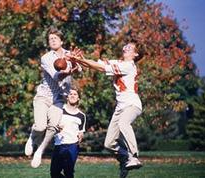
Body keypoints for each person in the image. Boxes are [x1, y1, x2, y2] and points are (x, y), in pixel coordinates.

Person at [72, 42, 142, 178]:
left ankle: (134, 156)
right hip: (120, 107)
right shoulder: (118, 62)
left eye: (130, 47)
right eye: (125, 46)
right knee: (109, 144)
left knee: (124, 124)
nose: (125, 48)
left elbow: (102, 68)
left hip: (132, 104)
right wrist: (78, 59)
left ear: (136, 54)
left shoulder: (127, 66)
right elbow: (96, 65)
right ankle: (124, 159)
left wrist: (81, 60)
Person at [24, 27, 82, 168]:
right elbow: (56, 76)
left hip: (59, 98)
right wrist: (68, 71)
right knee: (40, 126)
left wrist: (75, 62)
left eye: (55, 38)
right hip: (44, 96)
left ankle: (40, 151)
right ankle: (33, 136)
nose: (53, 40)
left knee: (54, 126)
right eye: (50, 39)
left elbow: (80, 70)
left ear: (62, 41)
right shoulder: (46, 58)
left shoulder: (69, 54)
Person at [50, 87, 86, 178]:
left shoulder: (81, 115)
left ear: (78, 98)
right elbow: (50, 125)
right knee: (54, 173)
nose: (73, 96)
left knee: (69, 172)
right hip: (59, 144)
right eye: (70, 94)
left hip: (72, 146)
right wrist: (56, 127)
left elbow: (81, 131)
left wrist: (81, 135)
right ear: (67, 97)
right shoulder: (59, 110)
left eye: (75, 94)